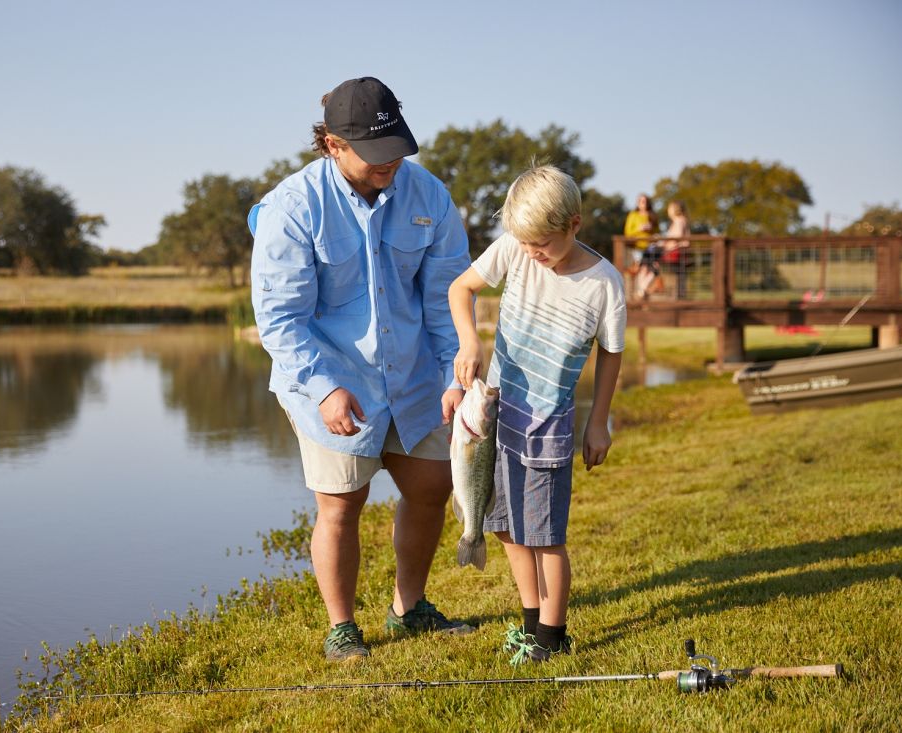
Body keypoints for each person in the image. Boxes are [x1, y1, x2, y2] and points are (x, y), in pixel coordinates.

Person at [248, 77, 475, 663]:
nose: (390, 164)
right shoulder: (291, 209)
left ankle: (409, 608)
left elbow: (446, 298)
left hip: (416, 375)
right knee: (341, 503)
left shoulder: (430, 197)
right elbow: (280, 320)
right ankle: (342, 627)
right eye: (375, 154)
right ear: (331, 145)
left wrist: (457, 374)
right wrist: (325, 389)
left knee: (432, 485)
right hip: (329, 377)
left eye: (397, 148)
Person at [448, 165, 625, 662]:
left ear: (574, 224)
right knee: (502, 523)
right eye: (524, 243)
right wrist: (471, 339)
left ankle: (553, 635)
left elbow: (611, 353)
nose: (531, 254)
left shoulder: (603, 283)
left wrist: (599, 421)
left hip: (547, 424)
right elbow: (461, 290)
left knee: (545, 535)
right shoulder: (514, 249)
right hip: (495, 417)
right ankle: (531, 623)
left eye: (542, 244)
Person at [624, 194, 661, 297]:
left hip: (651, 248)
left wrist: (651, 230)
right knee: (642, 270)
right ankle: (641, 296)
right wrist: (639, 229)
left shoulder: (653, 215)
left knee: (653, 270)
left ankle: (641, 293)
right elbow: (627, 232)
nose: (643, 203)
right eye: (641, 201)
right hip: (637, 247)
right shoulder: (633, 215)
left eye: (645, 201)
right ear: (638, 203)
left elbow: (658, 232)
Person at [659, 200, 691, 299]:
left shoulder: (679, 221)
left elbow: (677, 238)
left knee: (677, 277)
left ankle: (677, 299)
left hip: (675, 254)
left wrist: (665, 244)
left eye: (670, 208)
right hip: (675, 253)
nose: (668, 210)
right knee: (679, 277)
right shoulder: (679, 221)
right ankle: (678, 297)